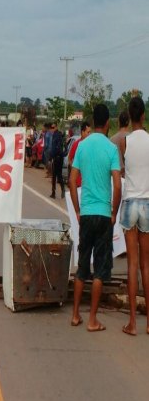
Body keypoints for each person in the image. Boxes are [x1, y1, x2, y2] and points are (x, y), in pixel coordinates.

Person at [69, 104, 121, 332]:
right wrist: (114, 212)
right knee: (100, 268)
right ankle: (92, 320)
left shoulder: (82, 146)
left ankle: (74, 315)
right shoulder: (111, 149)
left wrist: (78, 210)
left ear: (93, 120)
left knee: (82, 266)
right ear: (107, 122)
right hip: (103, 214)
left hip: (87, 213)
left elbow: (71, 181)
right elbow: (117, 183)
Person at [120, 96, 149, 336]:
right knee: (146, 265)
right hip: (148, 204)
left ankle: (132, 322)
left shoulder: (125, 142)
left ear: (130, 117)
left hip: (130, 203)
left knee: (132, 264)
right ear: (143, 115)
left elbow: (124, 168)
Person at [67, 121, 91, 188]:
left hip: (88, 183)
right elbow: (69, 159)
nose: (89, 134)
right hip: (78, 183)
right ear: (82, 132)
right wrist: (75, 170)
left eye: (90, 132)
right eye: (88, 132)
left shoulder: (91, 145)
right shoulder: (76, 144)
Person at [110, 109, 130, 178]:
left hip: (115, 177)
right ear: (128, 122)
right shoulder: (132, 138)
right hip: (129, 177)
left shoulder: (111, 140)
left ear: (118, 122)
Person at [49, 123, 66, 199]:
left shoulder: (56, 136)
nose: (51, 129)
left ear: (56, 127)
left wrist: (51, 157)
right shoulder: (60, 135)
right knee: (59, 175)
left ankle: (53, 193)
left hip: (56, 158)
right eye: (51, 128)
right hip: (61, 157)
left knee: (55, 175)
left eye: (53, 127)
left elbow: (54, 148)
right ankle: (62, 189)